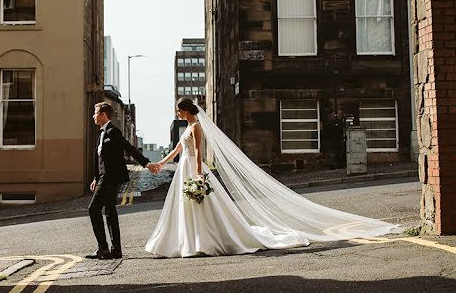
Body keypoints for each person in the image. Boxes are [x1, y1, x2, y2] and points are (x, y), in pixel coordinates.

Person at [144, 97, 397, 258]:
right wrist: (160, 163)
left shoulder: (196, 127)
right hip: (184, 169)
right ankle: (189, 240)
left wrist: (199, 176)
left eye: (179, 110)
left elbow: (199, 152)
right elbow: (179, 150)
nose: (177, 113)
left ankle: (205, 241)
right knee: (187, 208)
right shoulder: (187, 128)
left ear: (187, 110)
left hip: (194, 169)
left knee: (204, 206)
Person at [87, 102, 158, 260]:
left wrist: (146, 163)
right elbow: (99, 159)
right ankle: (116, 250)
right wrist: (95, 178)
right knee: (110, 211)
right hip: (103, 178)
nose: (93, 116)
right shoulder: (101, 134)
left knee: (93, 209)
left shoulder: (113, 132)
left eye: (96, 113)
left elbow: (129, 148)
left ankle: (103, 248)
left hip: (110, 178)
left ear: (104, 115)